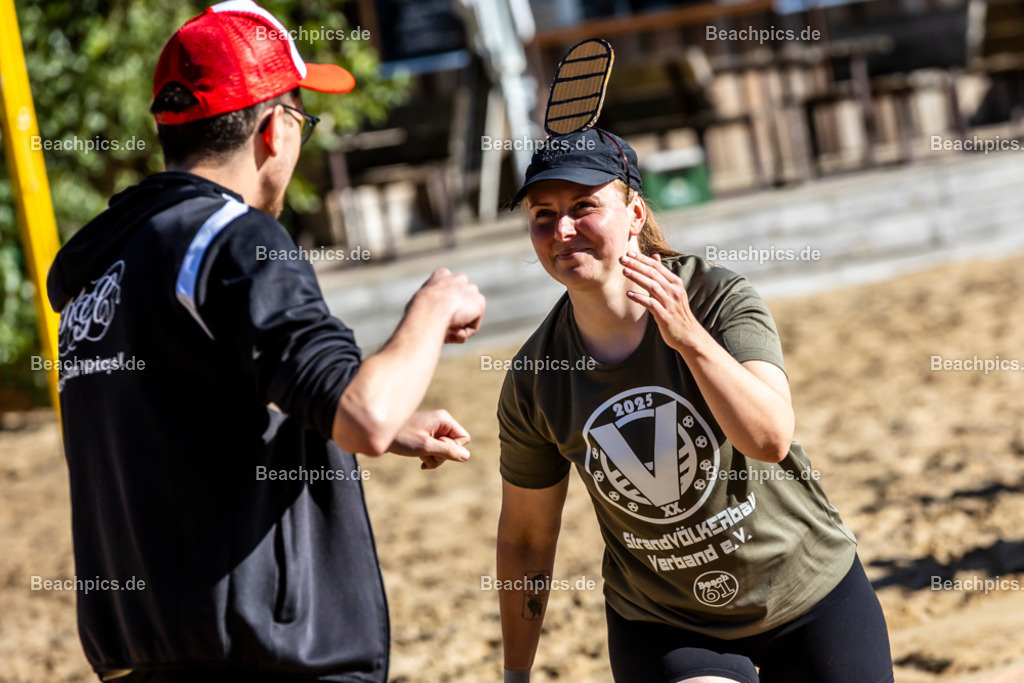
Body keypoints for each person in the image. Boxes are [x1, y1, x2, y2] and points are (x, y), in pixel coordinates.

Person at [45, 2, 484, 681]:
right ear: (275, 129)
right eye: (304, 119)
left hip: (140, 652)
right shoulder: (235, 239)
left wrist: (360, 411)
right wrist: (433, 307)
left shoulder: (105, 261)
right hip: (259, 655)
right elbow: (366, 417)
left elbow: (193, 409)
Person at [495, 128, 893, 683]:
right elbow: (526, 537)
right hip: (666, 622)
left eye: (584, 207)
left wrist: (688, 338)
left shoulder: (717, 297)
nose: (562, 230)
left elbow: (770, 438)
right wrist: (516, 674)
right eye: (543, 214)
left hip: (804, 590)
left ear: (635, 214)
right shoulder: (536, 377)